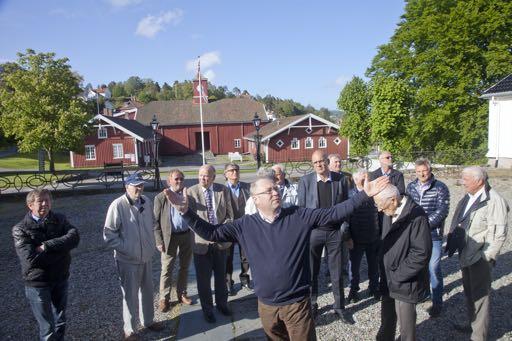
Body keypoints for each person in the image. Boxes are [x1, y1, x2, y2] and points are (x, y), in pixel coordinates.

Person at [164, 174, 388, 341]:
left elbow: (333, 213)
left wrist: (363, 195)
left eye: (276, 189)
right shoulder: (245, 225)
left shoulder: (298, 216)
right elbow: (211, 233)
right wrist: (186, 212)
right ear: (256, 199)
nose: (275, 192)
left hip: (297, 305)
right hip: (266, 306)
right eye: (268, 191)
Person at [446, 166, 509, 341]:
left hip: (479, 258)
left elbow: (499, 235)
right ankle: (472, 325)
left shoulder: (495, 201)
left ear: (479, 181)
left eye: (465, 179)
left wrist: (487, 257)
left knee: (481, 298)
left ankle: (478, 336)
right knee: (470, 293)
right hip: (467, 254)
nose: (462, 181)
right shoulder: (470, 196)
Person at [12, 189, 80, 341]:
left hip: (61, 278)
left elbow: (74, 237)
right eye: (40, 201)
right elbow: (31, 259)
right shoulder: (20, 229)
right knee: (47, 328)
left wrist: (47, 246)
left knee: (60, 321)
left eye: (47, 200)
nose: (45, 204)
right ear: (30, 205)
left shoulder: (59, 219)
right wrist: (62, 251)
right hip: (38, 283)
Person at [104, 172, 164, 340]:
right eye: (135, 185)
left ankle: (149, 321)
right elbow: (109, 234)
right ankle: (129, 330)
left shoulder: (146, 201)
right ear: (126, 186)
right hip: (127, 260)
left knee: (148, 291)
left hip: (145, 257)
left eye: (141, 185)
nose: (139, 188)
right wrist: (127, 249)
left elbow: (152, 224)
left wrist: (151, 246)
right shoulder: (117, 205)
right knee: (129, 295)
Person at [297, 150, 353, 324]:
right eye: (315, 163)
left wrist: (345, 229)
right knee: (312, 272)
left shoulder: (340, 180)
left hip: (335, 232)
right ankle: (313, 305)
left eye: (322, 161)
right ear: (312, 165)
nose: (319, 165)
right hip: (314, 232)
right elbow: (301, 209)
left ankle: (339, 307)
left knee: (336, 272)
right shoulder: (305, 181)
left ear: (327, 161)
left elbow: (346, 207)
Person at [375, 185, 432, 341]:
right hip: (388, 278)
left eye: (381, 204)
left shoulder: (417, 217)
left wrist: (398, 275)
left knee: (406, 329)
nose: (379, 209)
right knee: (387, 320)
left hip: (405, 282)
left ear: (393, 200)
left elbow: (421, 253)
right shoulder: (390, 210)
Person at [187, 165, 234, 323]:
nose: (202, 178)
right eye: (200, 175)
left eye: (206, 176)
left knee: (221, 278)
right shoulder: (191, 192)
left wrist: (221, 232)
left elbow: (229, 215)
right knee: (203, 280)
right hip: (201, 244)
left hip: (220, 242)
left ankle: (222, 304)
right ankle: (207, 310)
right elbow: (190, 220)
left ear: (214, 177)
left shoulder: (223, 190)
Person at [406, 158, 450, 317]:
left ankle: (437, 302)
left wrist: (423, 225)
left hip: (433, 235)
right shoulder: (411, 187)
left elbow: (442, 211)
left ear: (430, 170)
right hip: (415, 236)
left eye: (424, 170)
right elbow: (407, 207)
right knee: (418, 267)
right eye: (418, 171)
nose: (421, 174)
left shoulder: (440, 187)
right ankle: (422, 294)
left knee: (433, 268)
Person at [154, 169, 193, 312]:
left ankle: (181, 293)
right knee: (167, 268)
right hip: (169, 237)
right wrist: (158, 240)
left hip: (186, 235)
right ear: (169, 181)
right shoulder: (161, 197)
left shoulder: (187, 195)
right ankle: (164, 298)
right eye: (176, 179)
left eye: (181, 179)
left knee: (184, 266)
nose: (179, 181)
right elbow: (155, 222)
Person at [347, 169, 380, 303]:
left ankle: (374, 287)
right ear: (355, 180)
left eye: (366, 176)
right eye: (362, 176)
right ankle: (353, 290)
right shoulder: (350, 195)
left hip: (373, 235)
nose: (365, 177)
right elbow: (346, 218)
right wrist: (347, 237)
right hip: (356, 238)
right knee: (354, 267)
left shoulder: (375, 193)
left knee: (374, 265)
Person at [224, 163, 252, 295]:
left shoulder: (247, 187)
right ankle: (228, 283)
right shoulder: (221, 190)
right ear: (226, 174)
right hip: (229, 228)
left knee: (245, 255)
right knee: (227, 257)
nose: (234, 172)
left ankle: (245, 279)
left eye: (236, 170)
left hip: (244, 227)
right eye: (231, 170)